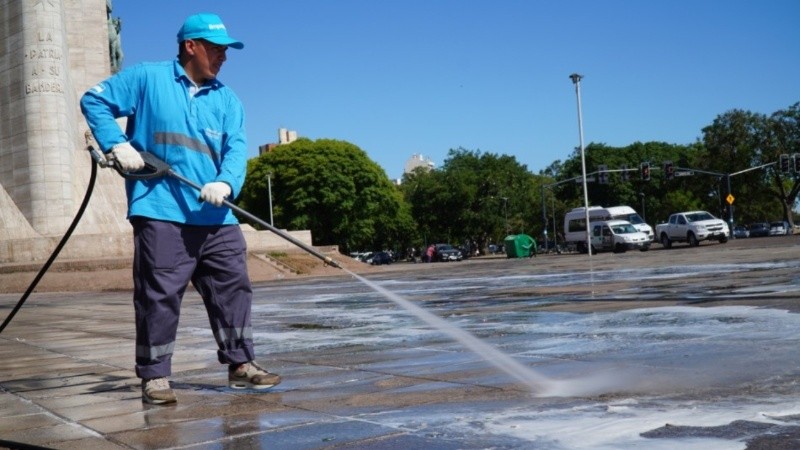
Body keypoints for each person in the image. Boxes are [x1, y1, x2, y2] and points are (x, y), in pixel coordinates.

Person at [80, 13, 280, 405]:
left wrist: (226, 183)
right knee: (160, 294)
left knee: (233, 287)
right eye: (217, 48)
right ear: (191, 46)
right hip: (160, 209)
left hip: (216, 215)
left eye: (226, 49)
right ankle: (155, 376)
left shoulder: (227, 99)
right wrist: (117, 144)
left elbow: (236, 150)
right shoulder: (147, 79)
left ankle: (241, 365)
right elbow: (94, 100)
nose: (224, 56)